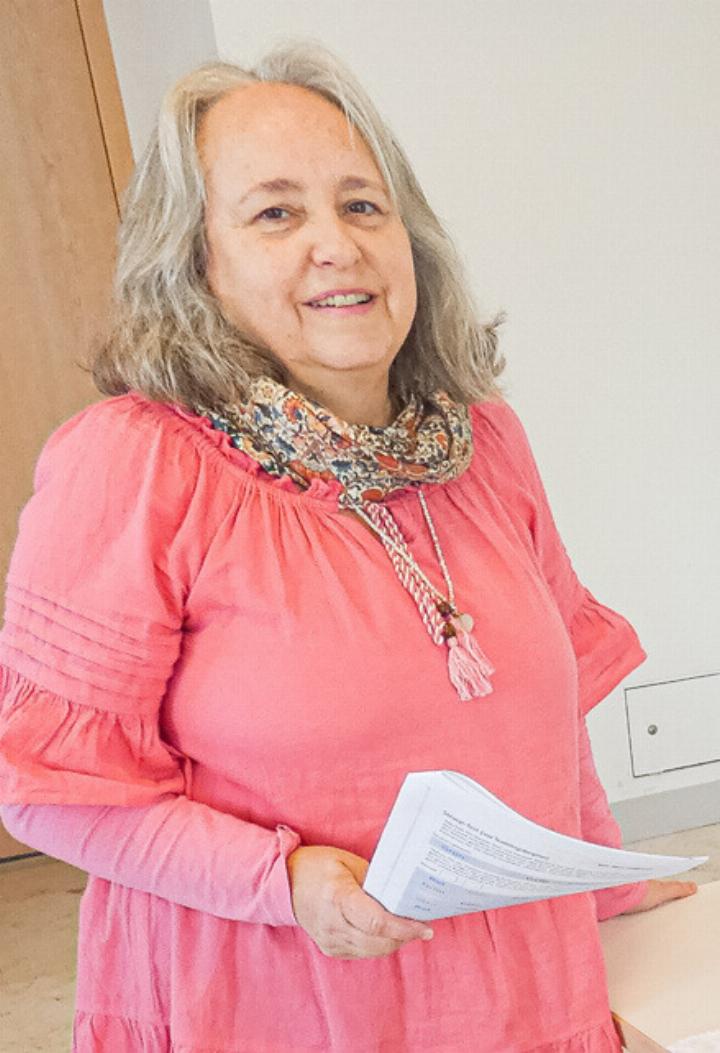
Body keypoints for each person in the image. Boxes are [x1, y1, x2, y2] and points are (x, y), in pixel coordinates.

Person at [0, 40, 697, 1053]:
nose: (337, 245)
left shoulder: (485, 441)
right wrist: (280, 880)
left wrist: (607, 882)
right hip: (276, 1005)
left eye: (363, 205)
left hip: (520, 995)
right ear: (196, 263)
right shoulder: (135, 463)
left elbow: (554, 723)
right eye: (275, 214)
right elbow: (53, 789)